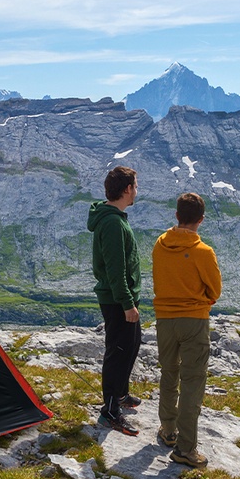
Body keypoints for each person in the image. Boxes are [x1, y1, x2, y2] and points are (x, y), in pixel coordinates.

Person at [152, 191, 222, 469]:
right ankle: (186, 448)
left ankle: (168, 430)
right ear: (201, 220)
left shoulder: (159, 244)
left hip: (164, 320)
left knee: (169, 372)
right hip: (193, 320)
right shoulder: (203, 252)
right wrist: (200, 301)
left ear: (177, 216)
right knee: (193, 380)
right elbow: (215, 290)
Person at [87, 165, 142, 436]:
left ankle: (121, 394)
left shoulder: (116, 218)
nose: (137, 191)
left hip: (123, 296)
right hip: (117, 298)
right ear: (127, 189)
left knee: (131, 344)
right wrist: (127, 303)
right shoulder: (110, 222)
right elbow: (115, 268)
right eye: (135, 186)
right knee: (118, 352)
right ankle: (110, 411)